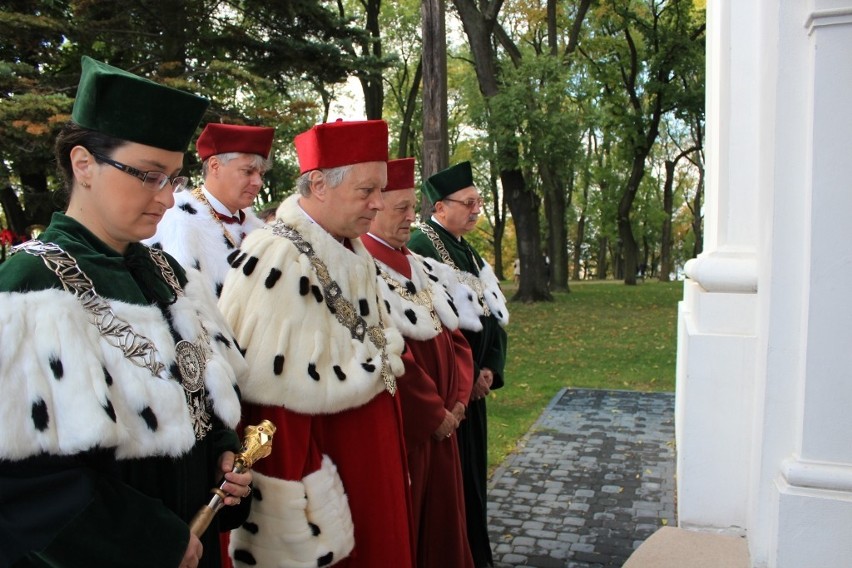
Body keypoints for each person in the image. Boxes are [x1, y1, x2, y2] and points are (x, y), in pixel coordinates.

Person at [0, 56, 252, 568]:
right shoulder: (29, 286)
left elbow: (197, 396)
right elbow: (22, 483)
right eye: (149, 175)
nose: (166, 198)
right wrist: (148, 541)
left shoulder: (170, 275)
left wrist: (222, 456)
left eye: (175, 179)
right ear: (83, 164)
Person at [218, 120, 414, 567]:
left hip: (367, 467)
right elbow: (272, 416)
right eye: (367, 190)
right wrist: (297, 521)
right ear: (320, 184)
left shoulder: (346, 245)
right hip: (330, 486)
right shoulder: (277, 256)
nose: (378, 204)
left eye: (380, 190)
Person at [361, 157, 476, 568]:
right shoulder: (362, 266)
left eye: (414, 207)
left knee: (446, 527)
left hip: (447, 422)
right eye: (402, 209)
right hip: (413, 429)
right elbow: (386, 349)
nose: (413, 217)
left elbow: (456, 337)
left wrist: (460, 398)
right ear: (375, 209)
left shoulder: (419, 263)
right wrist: (433, 413)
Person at [408, 160, 509, 568]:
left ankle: (476, 553)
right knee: (453, 488)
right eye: (469, 203)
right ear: (440, 207)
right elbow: (433, 329)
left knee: (473, 481)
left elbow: (495, 314)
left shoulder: (469, 251)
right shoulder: (422, 245)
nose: (476, 210)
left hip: (475, 388)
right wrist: (467, 380)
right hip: (451, 392)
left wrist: (490, 369)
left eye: (478, 202)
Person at [145, 122, 274, 298]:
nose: (258, 182)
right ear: (215, 166)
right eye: (248, 171)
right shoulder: (177, 220)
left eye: (261, 174)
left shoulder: (261, 231)